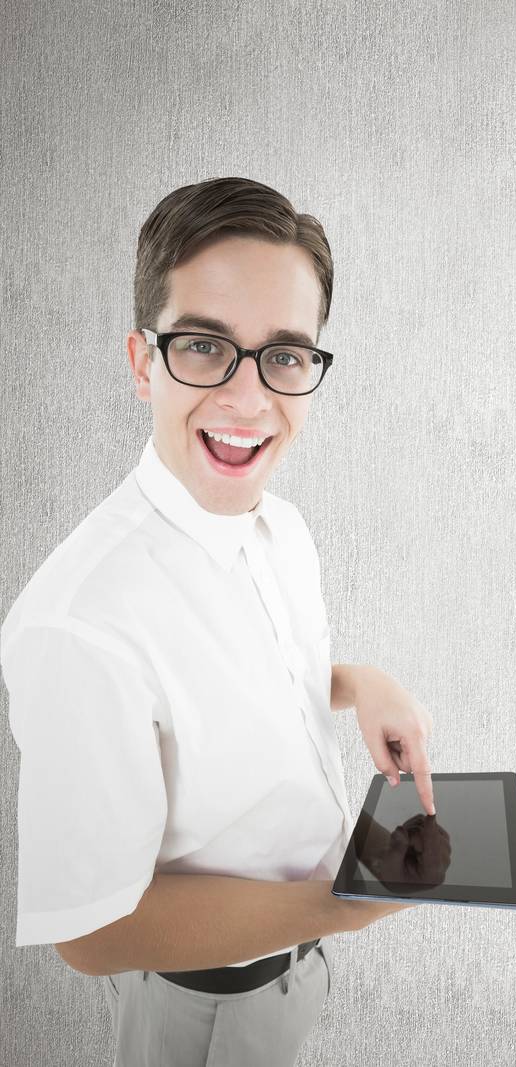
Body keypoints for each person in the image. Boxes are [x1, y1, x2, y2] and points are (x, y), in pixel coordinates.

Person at [2, 177, 438, 1067]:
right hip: (201, 1013)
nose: (248, 399)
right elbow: (93, 932)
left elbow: (234, 686)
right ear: (141, 361)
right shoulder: (78, 620)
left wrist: (360, 684)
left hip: (291, 978)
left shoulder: (280, 527)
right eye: (204, 347)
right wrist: (346, 902)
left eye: (284, 355)